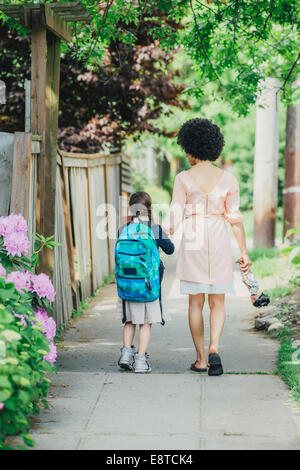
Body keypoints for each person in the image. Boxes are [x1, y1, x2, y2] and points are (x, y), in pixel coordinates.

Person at [162, 118, 252, 376]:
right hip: (219, 237)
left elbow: (175, 215)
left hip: (194, 238)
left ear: (190, 148)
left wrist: (158, 234)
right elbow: (235, 219)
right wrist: (244, 252)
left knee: (194, 303)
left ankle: (201, 359)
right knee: (218, 302)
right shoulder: (228, 179)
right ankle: (214, 348)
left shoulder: (183, 178)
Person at [116, 191, 174, 373]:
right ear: (149, 209)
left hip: (127, 285)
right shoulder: (154, 229)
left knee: (130, 321)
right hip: (148, 286)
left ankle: (126, 355)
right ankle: (140, 361)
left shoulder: (123, 229)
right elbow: (170, 249)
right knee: (146, 323)